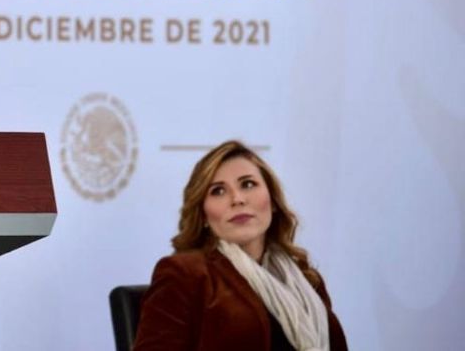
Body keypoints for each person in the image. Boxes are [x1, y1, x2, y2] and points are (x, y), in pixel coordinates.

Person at [133, 140, 347, 350]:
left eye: (248, 184)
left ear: (272, 201)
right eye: (218, 191)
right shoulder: (184, 275)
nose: (237, 199)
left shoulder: (306, 278)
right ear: (203, 215)